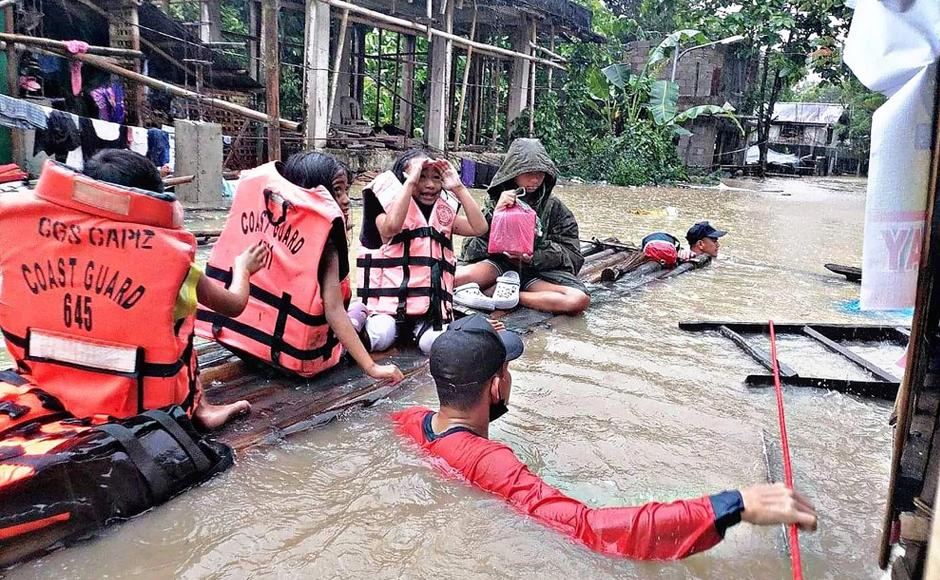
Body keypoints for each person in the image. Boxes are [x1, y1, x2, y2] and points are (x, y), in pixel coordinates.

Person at [394, 315, 818, 561]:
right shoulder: (493, 462)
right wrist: (731, 505)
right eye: (507, 370)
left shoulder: (410, 421)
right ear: (494, 387)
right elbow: (590, 529)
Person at [83, 150, 269, 429]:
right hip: (151, 394)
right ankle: (200, 409)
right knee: (179, 325)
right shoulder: (171, 262)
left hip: (85, 383)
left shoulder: (67, 249)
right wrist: (243, 268)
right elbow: (233, 304)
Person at [281, 151, 403, 384]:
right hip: (307, 353)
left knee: (359, 307)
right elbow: (334, 311)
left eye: (346, 190)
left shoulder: (275, 229)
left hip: (271, 345)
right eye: (337, 191)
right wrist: (372, 367)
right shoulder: (326, 245)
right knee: (380, 323)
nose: (347, 199)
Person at [357, 148, 488, 354]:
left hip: (429, 312)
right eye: (421, 177)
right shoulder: (384, 209)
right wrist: (409, 183)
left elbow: (479, 228)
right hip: (388, 310)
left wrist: (459, 188)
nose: (429, 185)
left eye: (436, 178)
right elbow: (391, 228)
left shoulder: (443, 212)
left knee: (436, 345)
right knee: (381, 336)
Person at [455, 138, 590, 316]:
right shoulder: (497, 200)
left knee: (578, 300)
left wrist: (533, 256)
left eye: (540, 174)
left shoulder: (555, 208)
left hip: (536, 273)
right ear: (513, 173)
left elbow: (572, 255)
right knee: (450, 280)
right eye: (528, 173)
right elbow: (472, 243)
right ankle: (498, 289)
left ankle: (506, 295)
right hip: (497, 266)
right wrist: (496, 214)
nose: (535, 180)